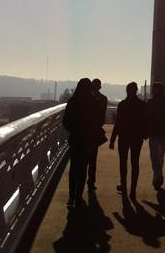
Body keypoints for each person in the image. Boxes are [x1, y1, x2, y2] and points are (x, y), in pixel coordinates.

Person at [62, 78, 100, 208]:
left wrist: (74, 129)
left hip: (75, 139)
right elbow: (97, 122)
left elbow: (65, 121)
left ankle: (71, 196)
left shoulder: (73, 101)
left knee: (73, 168)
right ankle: (78, 196)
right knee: (83, 168)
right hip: (88, 140)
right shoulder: (94, 102)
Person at [109, 82, 146, 199]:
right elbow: (145, 121)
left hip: (124, 136)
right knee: (135, 162)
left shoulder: (123, 104)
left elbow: (118, 123)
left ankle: (124, 186)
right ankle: (133, 189)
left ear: (127, 91)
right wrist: (145, 133)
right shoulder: (141, 105)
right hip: (137, 137)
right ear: (136, 91)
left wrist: (112, 139)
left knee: (123, 162)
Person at [146, 82, 165, 191]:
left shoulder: (150, 102)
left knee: (154, 157)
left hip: (153, 132)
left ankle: (158, 176)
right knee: (160, 157)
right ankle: (157, 177)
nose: (152, 90)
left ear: (157, 90)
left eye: (153, 89)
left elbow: (147, 118)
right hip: (164, 133)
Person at [87, 78, 108, 192]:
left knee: (84, 159)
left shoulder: (84, 99)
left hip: (85, 132)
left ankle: (85, 181)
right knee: (93, 159)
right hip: (95, 132)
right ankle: (91, 181)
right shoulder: (103, 99)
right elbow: (102, 118)